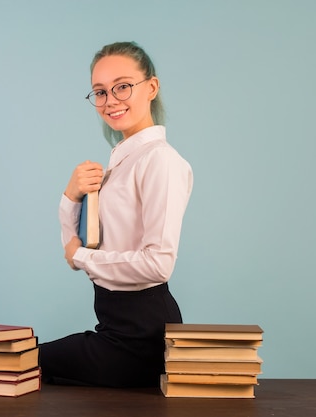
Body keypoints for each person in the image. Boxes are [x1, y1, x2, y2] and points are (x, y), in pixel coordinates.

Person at [40, 41, 193, 388]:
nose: (111, 100)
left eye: (122, 86)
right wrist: (71, 195)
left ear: (151, 87)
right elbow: (74, 250)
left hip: (141, 338)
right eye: (100, 91)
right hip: (114, 326)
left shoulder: (161, 161)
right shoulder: (120, 163)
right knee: (30, 367)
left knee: (26, 363)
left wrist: (81, 256)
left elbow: (158, 264)